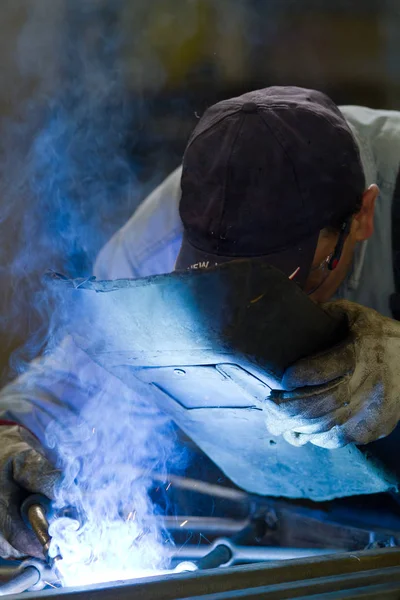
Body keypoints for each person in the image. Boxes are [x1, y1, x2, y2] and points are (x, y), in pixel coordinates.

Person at [1, 86, 400, 559]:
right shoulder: (157, 242)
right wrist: (9, 445)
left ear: (363, 216)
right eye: (220, 276)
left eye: (289, 279)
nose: (261, 310)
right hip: (278, 509)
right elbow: (73, 388)